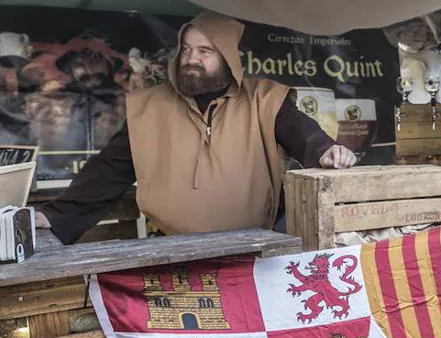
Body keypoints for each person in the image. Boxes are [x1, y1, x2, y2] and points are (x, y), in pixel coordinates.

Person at [36, 12, 358, 243]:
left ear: (228, 58)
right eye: (187, 50)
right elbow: (108, 171)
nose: (192, 59)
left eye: (205, 51)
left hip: (255, 249)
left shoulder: (263, 99)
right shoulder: (151, 108)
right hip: (173, 251)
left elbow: (300, 130)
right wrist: (56, 216)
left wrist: (324, 150)